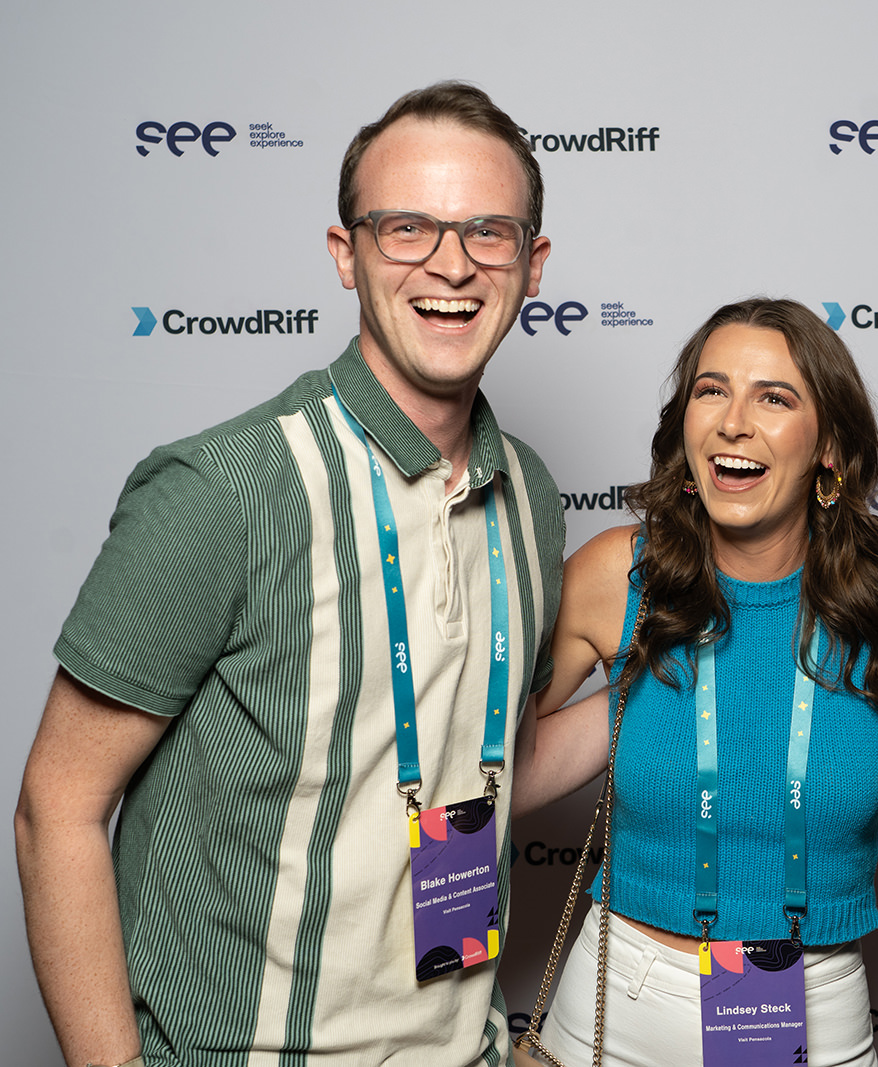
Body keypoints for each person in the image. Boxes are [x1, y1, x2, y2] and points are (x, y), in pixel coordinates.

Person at [14, 82, 564, 1067]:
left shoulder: (530, 492)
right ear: (344, 254)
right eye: (407, 227)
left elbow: (486, 765)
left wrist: (693, 651)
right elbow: (57, 807)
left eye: (489, 231)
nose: (451, 262)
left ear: (533, 265)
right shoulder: (223, 490)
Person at [510, 297, 878, 1067]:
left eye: (774, 397)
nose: (733, 420)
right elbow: (495, 775)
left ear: (830, 448)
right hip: (615, 1011)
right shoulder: (619, 575)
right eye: (712, 390)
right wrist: (632, 697)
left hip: (813, 1012)